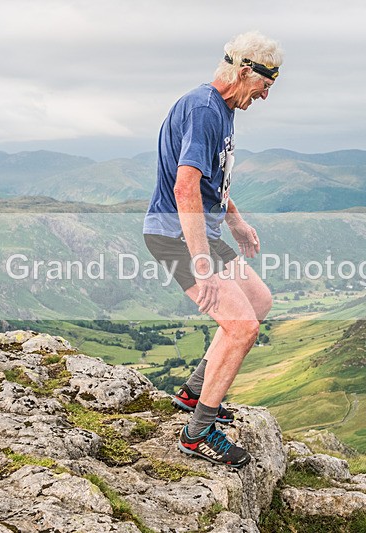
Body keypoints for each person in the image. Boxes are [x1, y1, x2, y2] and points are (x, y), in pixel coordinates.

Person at [142, 31, 283, 468]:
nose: (263, 97)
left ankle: (193, 391)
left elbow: (209, 181)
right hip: (177, 236)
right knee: (241, 328)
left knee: (259, 301)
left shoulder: (223, 108)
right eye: (264, 86)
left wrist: (235, 220)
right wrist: (202, 263)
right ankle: (198, 433)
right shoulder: (205, 110)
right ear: (245, 72)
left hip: (201, 231)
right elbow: (185, 187)